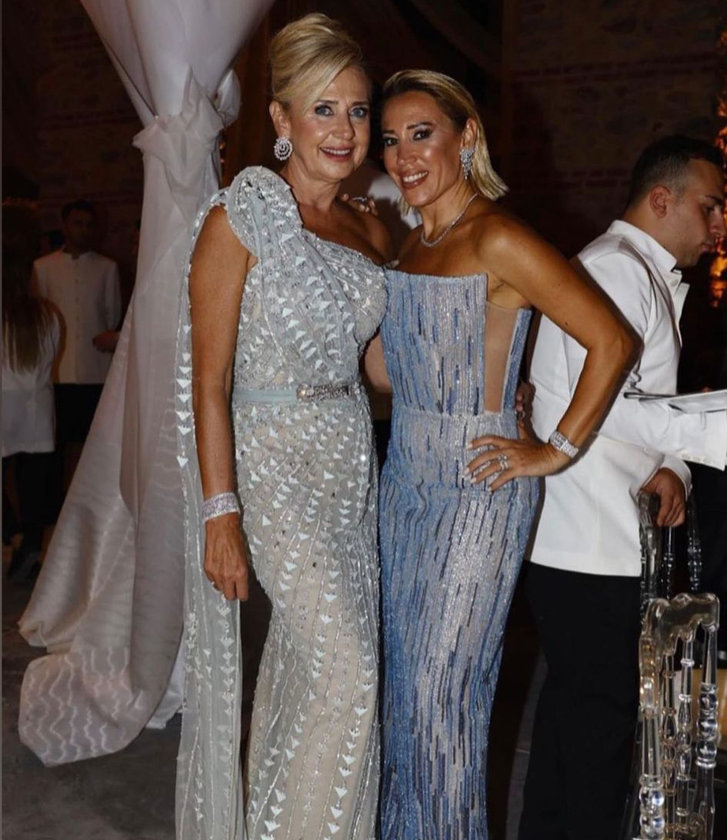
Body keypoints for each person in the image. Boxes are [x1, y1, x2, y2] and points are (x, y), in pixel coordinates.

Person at [364, 69, 634, 840]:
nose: (404, 155)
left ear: (466, 137)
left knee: (442, 703)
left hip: (476, 488)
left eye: (422, 134)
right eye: (391, 139)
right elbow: (385, 375)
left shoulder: (497, 236)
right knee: (406, 702)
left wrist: (551, 451)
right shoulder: (411, 243)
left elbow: (610, 341)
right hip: (404, 481)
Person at [175, 14, 390, 840]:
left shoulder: (369, 226)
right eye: (323, 108)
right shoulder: (240, 217)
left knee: (311, 672)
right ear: (280, 118)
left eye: (357, 110)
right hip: (271, 465)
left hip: (348, 459)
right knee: (346, 670)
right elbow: (210, 380)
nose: (343, 129)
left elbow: (378, 370)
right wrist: (219, 513)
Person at [520, 135, 727, 840]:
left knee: (572, 725)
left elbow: (634, 404)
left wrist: (672, 464)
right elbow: (595, 401)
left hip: (596, 534)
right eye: (708, 207)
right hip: (584, 540)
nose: (717, 226)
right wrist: (711, 436)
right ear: (660, 200)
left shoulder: (637, 270)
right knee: (597, 738)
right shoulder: (614, 269)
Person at [32, 199, 121, 511]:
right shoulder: (43, 267)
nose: (83, 230)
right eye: (77, 223)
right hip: (57, 372)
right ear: (65, 225)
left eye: (88, 224)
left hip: (95, 371)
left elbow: (112, 315)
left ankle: (92, 506)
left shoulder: (107, 268)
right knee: (54, 447)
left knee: (94, 445)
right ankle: (52, 509)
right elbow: (39, 318)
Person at [2, 204, 61, 580]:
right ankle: (31, 546)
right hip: (37, 407)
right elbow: (51, 356)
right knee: (34, 486)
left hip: (4, 406)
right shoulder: (48, 315)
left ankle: (11, 531)